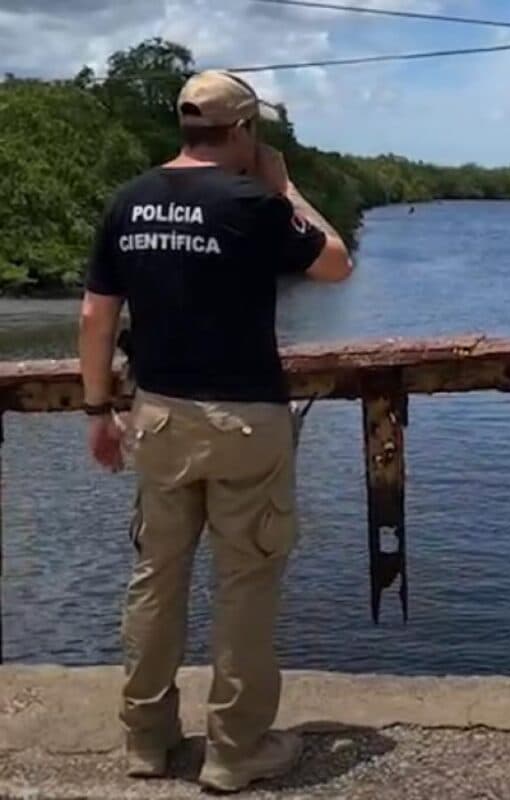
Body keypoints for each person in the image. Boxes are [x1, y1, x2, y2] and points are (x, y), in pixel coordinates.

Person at [78, 70, 352, 792]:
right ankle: (234, 751)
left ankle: (146, 738)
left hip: (158, 415)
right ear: (243, 131)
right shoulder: (253, 201)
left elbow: (94, 317)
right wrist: (285, 186)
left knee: (156, 579)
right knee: (245, 586)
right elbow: (334, 263)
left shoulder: (128, 201)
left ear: (182, 126)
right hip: (244, 422)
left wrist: (96, 410)